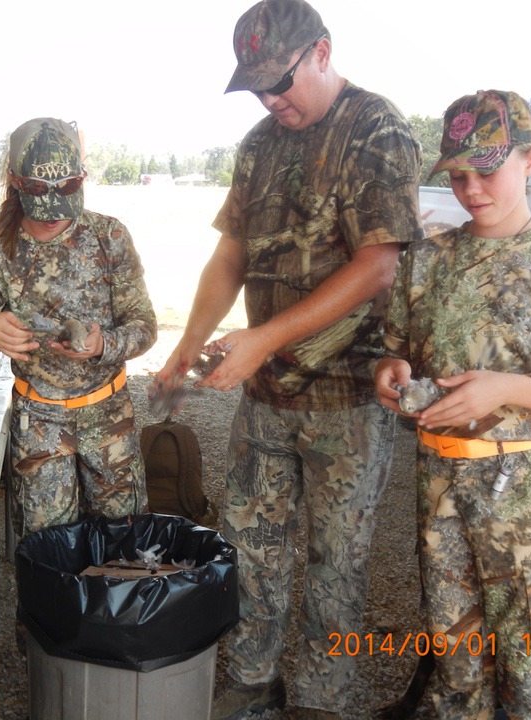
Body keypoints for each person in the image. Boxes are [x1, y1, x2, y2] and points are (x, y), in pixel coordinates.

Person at [154, 1, 423, 717]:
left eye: (282, 81)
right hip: (267, 397)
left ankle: (323, 699)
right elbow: (231, 253)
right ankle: (251, 682)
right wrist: (187, 343)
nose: (273, 99)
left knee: (337, 563)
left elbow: (379, 268)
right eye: (258, 87)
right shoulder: (258, 144)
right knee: (249, 547)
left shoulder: (377, 128)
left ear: (323, 52)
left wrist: (263, 339)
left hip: (348, 400)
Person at [374, 90, 531, 719]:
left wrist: (506, 387)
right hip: (440, 488)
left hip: (527, 498)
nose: (471, 189)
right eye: (457, 175)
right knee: (458, 665)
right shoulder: (427, 260)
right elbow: (398, 351)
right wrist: (392, 372)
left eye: (487, 170)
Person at [0, 117, 156, 540]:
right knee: (48, 554)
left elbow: (145, 327)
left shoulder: (108, 236)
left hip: (109, 416)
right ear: (14, 181)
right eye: (37, 192)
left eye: (65, 191)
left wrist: (106, 343)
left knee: (127, 548)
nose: (51, 212)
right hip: (39, 422)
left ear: (80, 179)